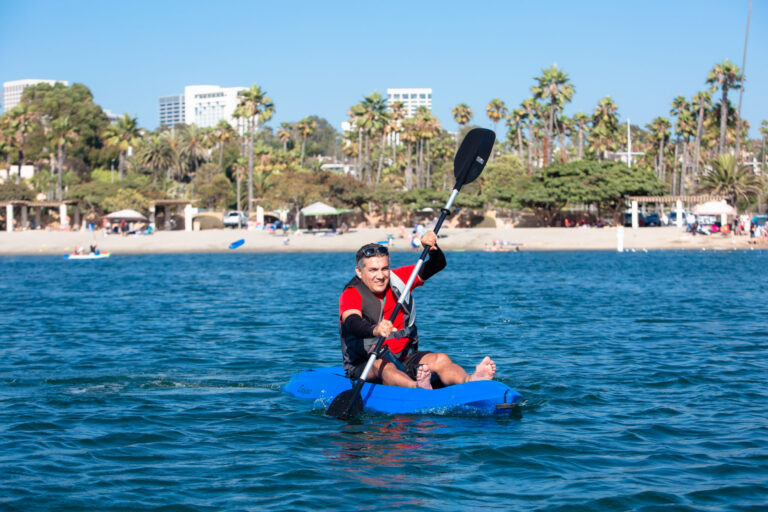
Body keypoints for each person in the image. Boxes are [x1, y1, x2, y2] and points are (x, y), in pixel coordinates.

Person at [338, 232, 496, 390]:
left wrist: (433, 248)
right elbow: (352, 322)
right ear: (359, 272)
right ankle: (417, 387)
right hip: (366, 365)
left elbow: (437, 264)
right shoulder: (351, 293)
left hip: (404, 359)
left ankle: (470, 380)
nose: (380, 276)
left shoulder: (399, 280)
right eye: (373, 270)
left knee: (440, 359)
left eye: (384, 268)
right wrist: (375, 329)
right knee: (384, 366)